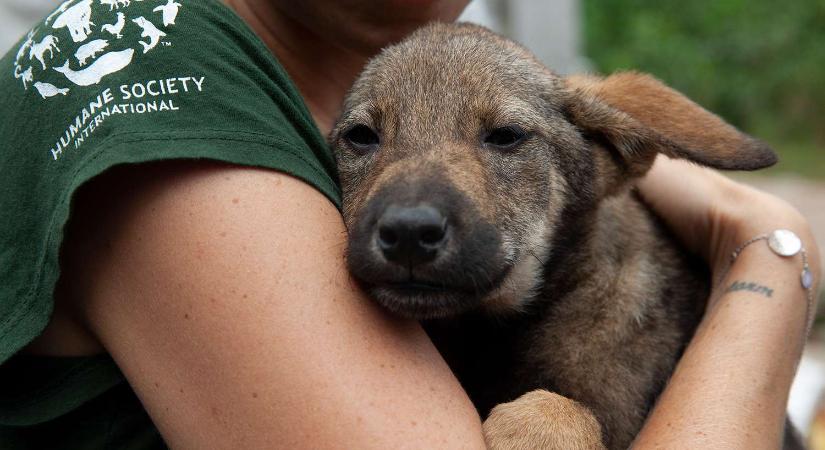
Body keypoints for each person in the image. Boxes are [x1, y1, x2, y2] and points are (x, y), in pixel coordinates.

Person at [0, 0, 819, 448]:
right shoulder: (168, 85)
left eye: (500, 137)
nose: (414, 204)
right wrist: (772, 262)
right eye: (361, 139)